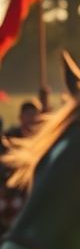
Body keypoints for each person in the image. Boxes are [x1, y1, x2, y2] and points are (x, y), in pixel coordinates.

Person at [0, 99, 42, 233]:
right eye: (28, 115)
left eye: (35, 116)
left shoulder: (43, 143)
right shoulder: (8, 141)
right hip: (9, 195)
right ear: (21, 118)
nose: (32, 120)